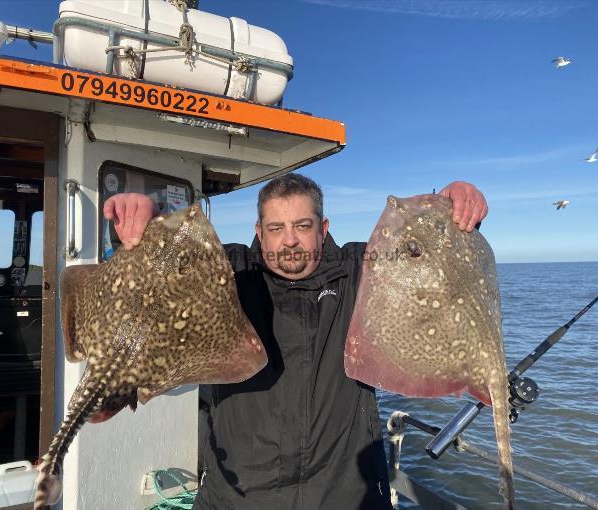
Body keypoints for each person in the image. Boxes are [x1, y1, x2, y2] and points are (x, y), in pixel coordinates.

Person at [103, 176, 488, 510]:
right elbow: (164, 271)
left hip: (345, 498)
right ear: (259, 231)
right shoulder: (230, 273)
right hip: (238, 498)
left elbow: (426, 254)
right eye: (276, 228)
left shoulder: (362, 270)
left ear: (323, 228)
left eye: (303, 226)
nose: (289, 240)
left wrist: (450, 207)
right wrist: (143, 225)